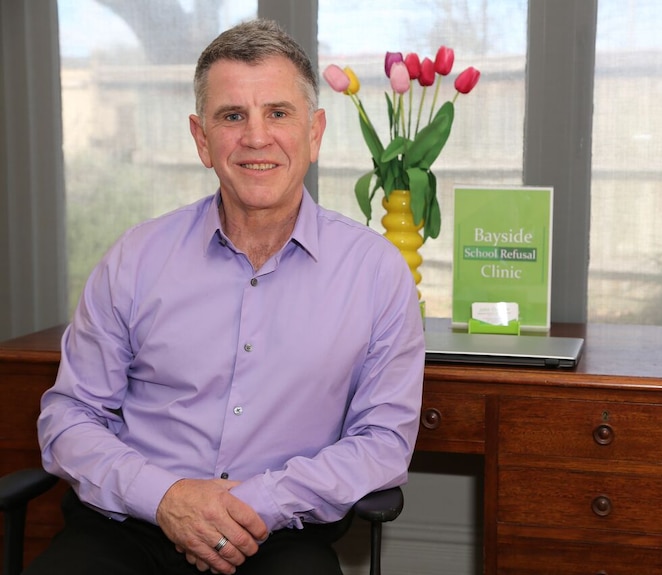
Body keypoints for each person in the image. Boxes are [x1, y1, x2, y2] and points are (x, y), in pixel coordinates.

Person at [27, 18, 425, 575]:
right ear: (201, 139)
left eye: (278, 113)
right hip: (130, 528)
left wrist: (249, 504)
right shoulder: (136, 258)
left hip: (280, 536)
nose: (256, 137)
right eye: (232, 115)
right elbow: (69, 417)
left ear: (314, 132)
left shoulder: (377, 273)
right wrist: (166, 499)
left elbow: (382, 442)